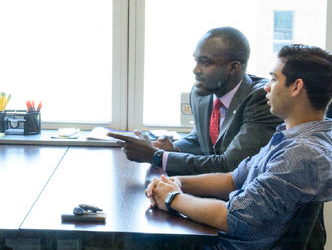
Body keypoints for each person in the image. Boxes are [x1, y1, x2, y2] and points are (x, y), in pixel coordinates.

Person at [71, 44, 332, 250]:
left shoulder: (301, 155)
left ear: (296, 87)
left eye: (274, 78)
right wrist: (178, 184)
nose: (266, 86)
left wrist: (172, 199)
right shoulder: (290, 139)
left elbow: (235, 218)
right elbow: (231, 178)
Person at [109, 27, 282, 175]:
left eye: (205, 63)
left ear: (233, 68)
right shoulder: (202, 94)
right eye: (196, 60)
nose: (195, 70)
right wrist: (173, 149)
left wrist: (156, 157)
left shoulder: (261, 100)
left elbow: (230, 166)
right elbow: (201, 139)